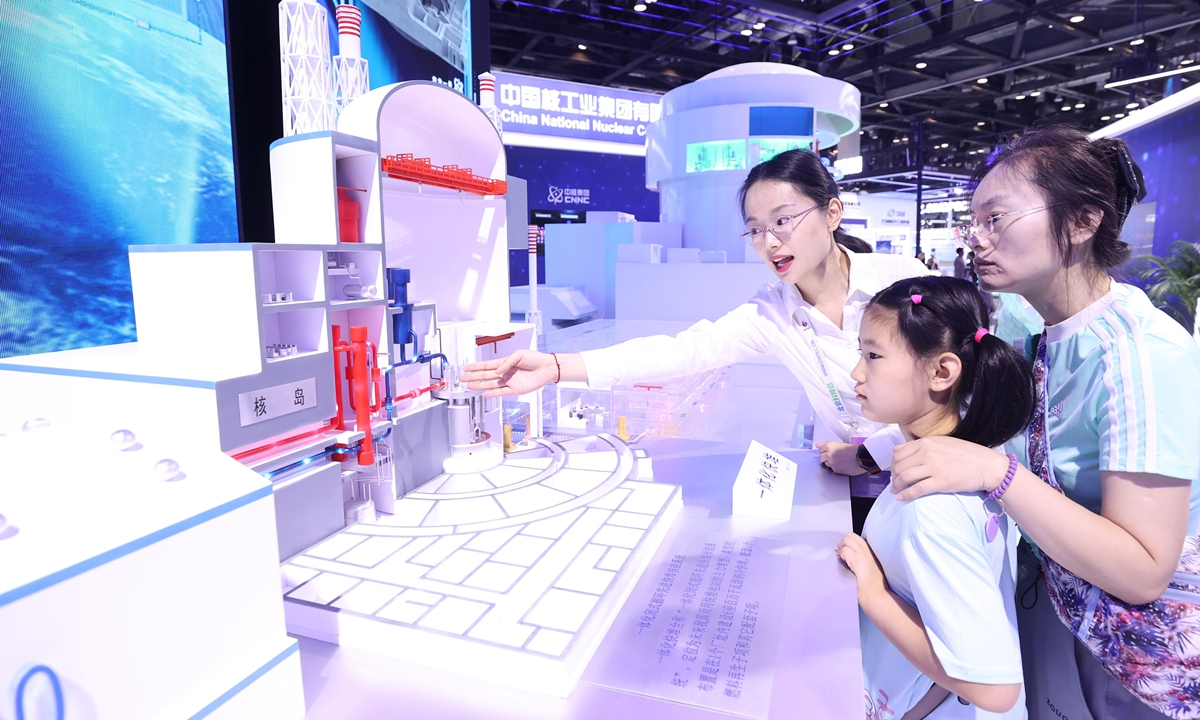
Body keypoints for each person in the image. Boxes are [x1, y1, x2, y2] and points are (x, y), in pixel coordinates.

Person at [887, 126, 1200, 718]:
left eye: (996, 219)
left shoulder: (1139, 354)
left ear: (1081, 223)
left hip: (1133, 655)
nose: (975, 239)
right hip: (1061, 612)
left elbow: (1142, 572)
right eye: (972, 222)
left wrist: (997, 474)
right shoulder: (1040, 336)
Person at [462, 149, 930, 529]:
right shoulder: (772, 311)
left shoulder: (903, 280)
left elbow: (958, 395)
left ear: (832, 213)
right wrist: (559, 367)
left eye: (783, 221)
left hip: (939, 480)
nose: (769, 243)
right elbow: (683, 350)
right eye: (755, 230)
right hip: (866, 492)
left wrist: (871, 454)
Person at [837, 275, 1031, 719]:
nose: (856, 372)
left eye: (873, 355)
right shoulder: (968, 451)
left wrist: (872, 591)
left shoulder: (932, 511)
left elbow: (994, 690)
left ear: (942, 372)